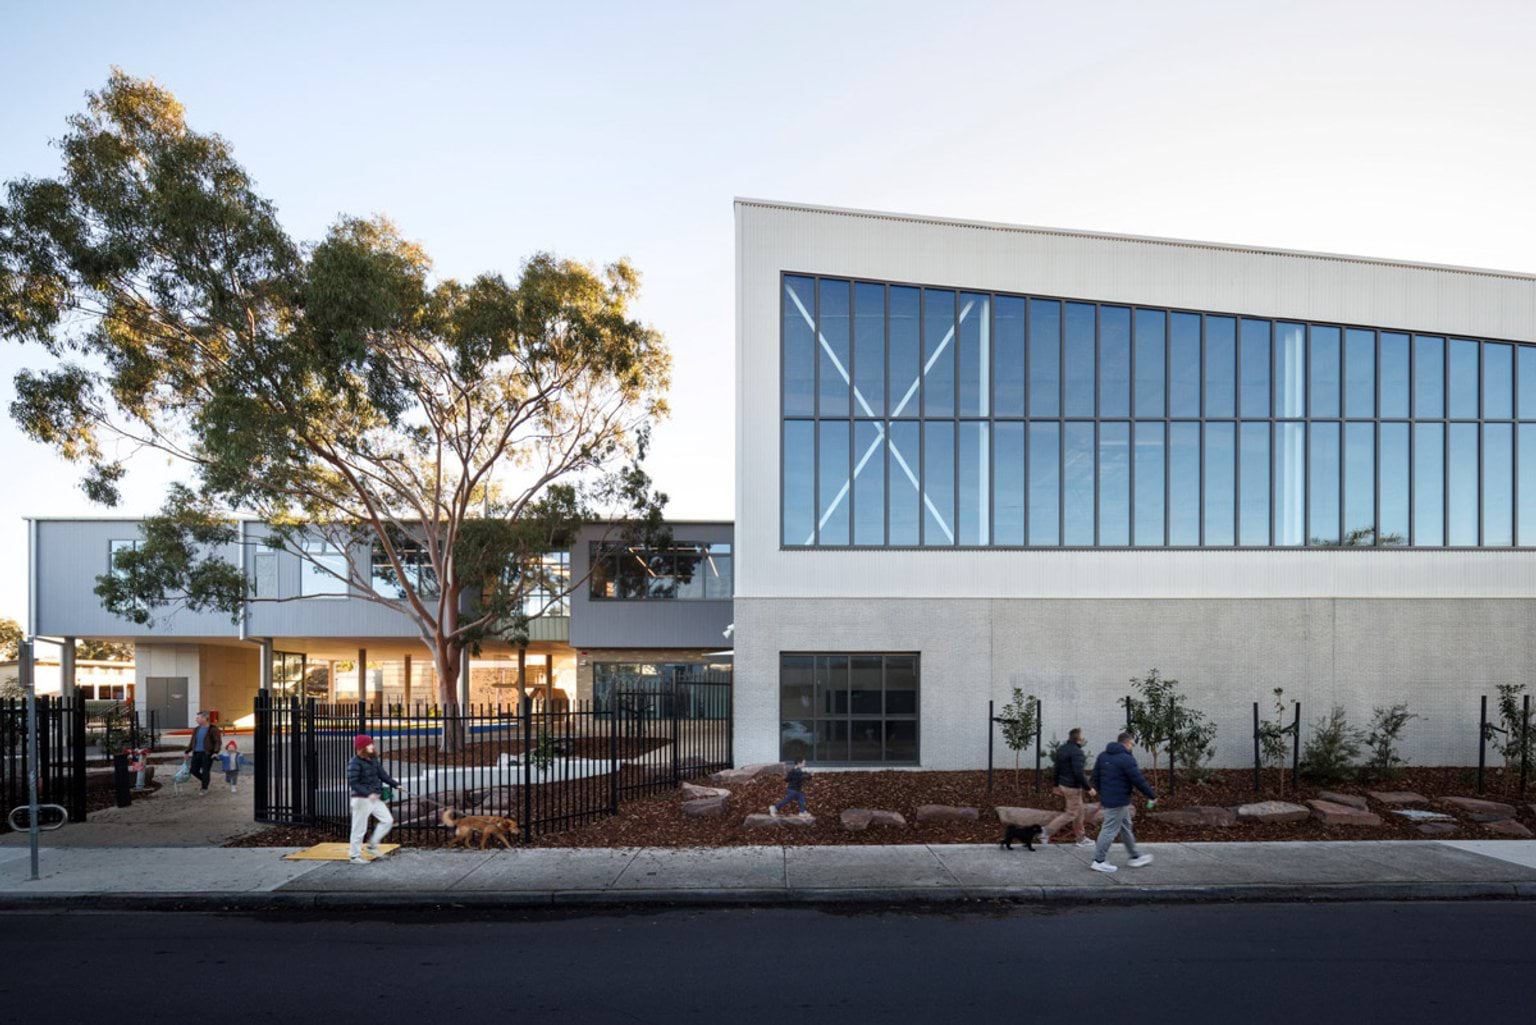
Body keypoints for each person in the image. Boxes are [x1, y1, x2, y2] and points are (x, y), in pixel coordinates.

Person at [1089, 731, 1156, 873]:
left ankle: (1134, 856)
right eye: (1132, 744)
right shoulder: (1126, 759)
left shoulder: (1103, 756)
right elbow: (1138, 780)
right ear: (1126, 743)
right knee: (1108, 830)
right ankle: (1098, 861)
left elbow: (1095, 777)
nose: (1132, 747)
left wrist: (1103, 794)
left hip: (1113, 799)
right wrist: (1151, 795)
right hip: (1118, 800)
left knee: (1126, 827)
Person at [346, 734, 403, 864]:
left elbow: (383, 775)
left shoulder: (373, 760)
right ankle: (354, 856)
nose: (372, 746)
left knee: (387, 820)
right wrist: (368, 794)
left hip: (374, 798)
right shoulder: (354, 762)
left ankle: (372, 846)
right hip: (361, 799)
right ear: (362, 748)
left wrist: (395, 784)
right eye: (369, 744)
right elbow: (353, 783)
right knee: (359, 828)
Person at [1047, 727, 1098, 848]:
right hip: (1072, 788)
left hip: (1064, 785)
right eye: (1082, 736)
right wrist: (1088, 788)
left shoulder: (1062, 749)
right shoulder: (1077, 752)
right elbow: (1078, 773)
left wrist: (1055, 785)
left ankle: (1080, 838)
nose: (1083, 738)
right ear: (1079, 739)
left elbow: (1057, 769)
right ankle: (1046, 831)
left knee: (1079, 812)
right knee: (1071, 813)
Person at [182, 711, 223, 794]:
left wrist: (216, 752)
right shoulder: (196, 729)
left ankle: (204, 788)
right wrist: (187, 751)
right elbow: (192, 741)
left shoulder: (213, 729)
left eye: (198, 718)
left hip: (207, 754)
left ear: (205, 718)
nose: (196, 719)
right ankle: (205, 780)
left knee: (205, 771)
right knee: (193, 770)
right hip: (196, 753)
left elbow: (217, 741)